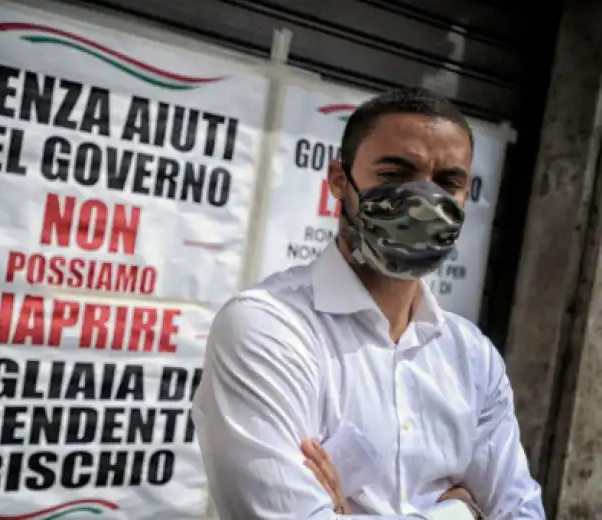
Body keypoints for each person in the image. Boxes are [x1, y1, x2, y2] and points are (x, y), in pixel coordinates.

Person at [191, 87, 545, 519]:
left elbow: (522, 511)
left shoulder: (472, 358)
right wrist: (463, 512)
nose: (424, 200)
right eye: (396, 174)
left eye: (448, 182)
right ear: (339, 181)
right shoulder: (268, 329)